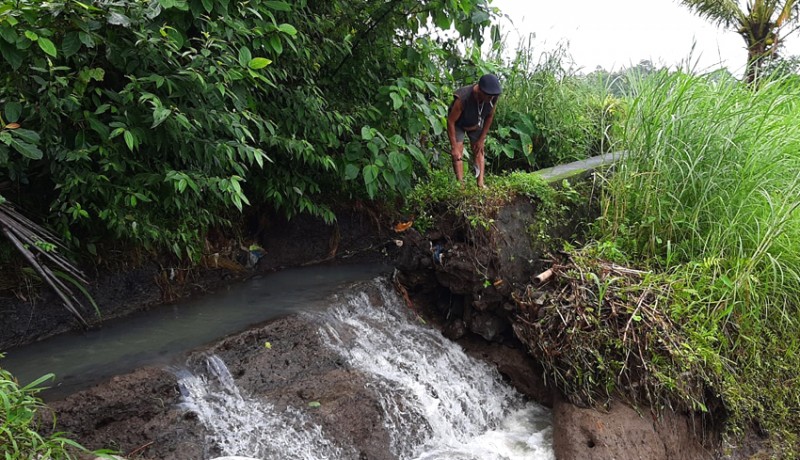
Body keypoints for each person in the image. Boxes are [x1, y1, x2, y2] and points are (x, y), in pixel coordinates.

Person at [446, 74, 502, 188]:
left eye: (492, 96)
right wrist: (454, 147)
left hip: (476, 122)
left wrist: (481, 139)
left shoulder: (492, 97)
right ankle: (461, 186)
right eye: (488, 96)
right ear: (480, 91)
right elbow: (451, 121)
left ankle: (480, 184)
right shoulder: (463, 98)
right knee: (458, 152)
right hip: (458, 123)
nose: (491, 99)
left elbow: (490, 117)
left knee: (479, 149)